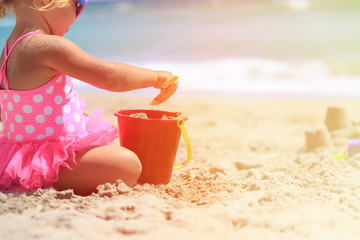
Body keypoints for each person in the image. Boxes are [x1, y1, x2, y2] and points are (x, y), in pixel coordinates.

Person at [0, 0, 178, 195]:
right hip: (44, 160)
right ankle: (39, 178)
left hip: (16, 156)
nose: (78, 13)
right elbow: (109, 77)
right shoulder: (48, 46)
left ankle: (28, 175)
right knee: (127, 164)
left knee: (111, 156)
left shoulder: (7, 51)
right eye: (78, 4)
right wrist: (155, 77)